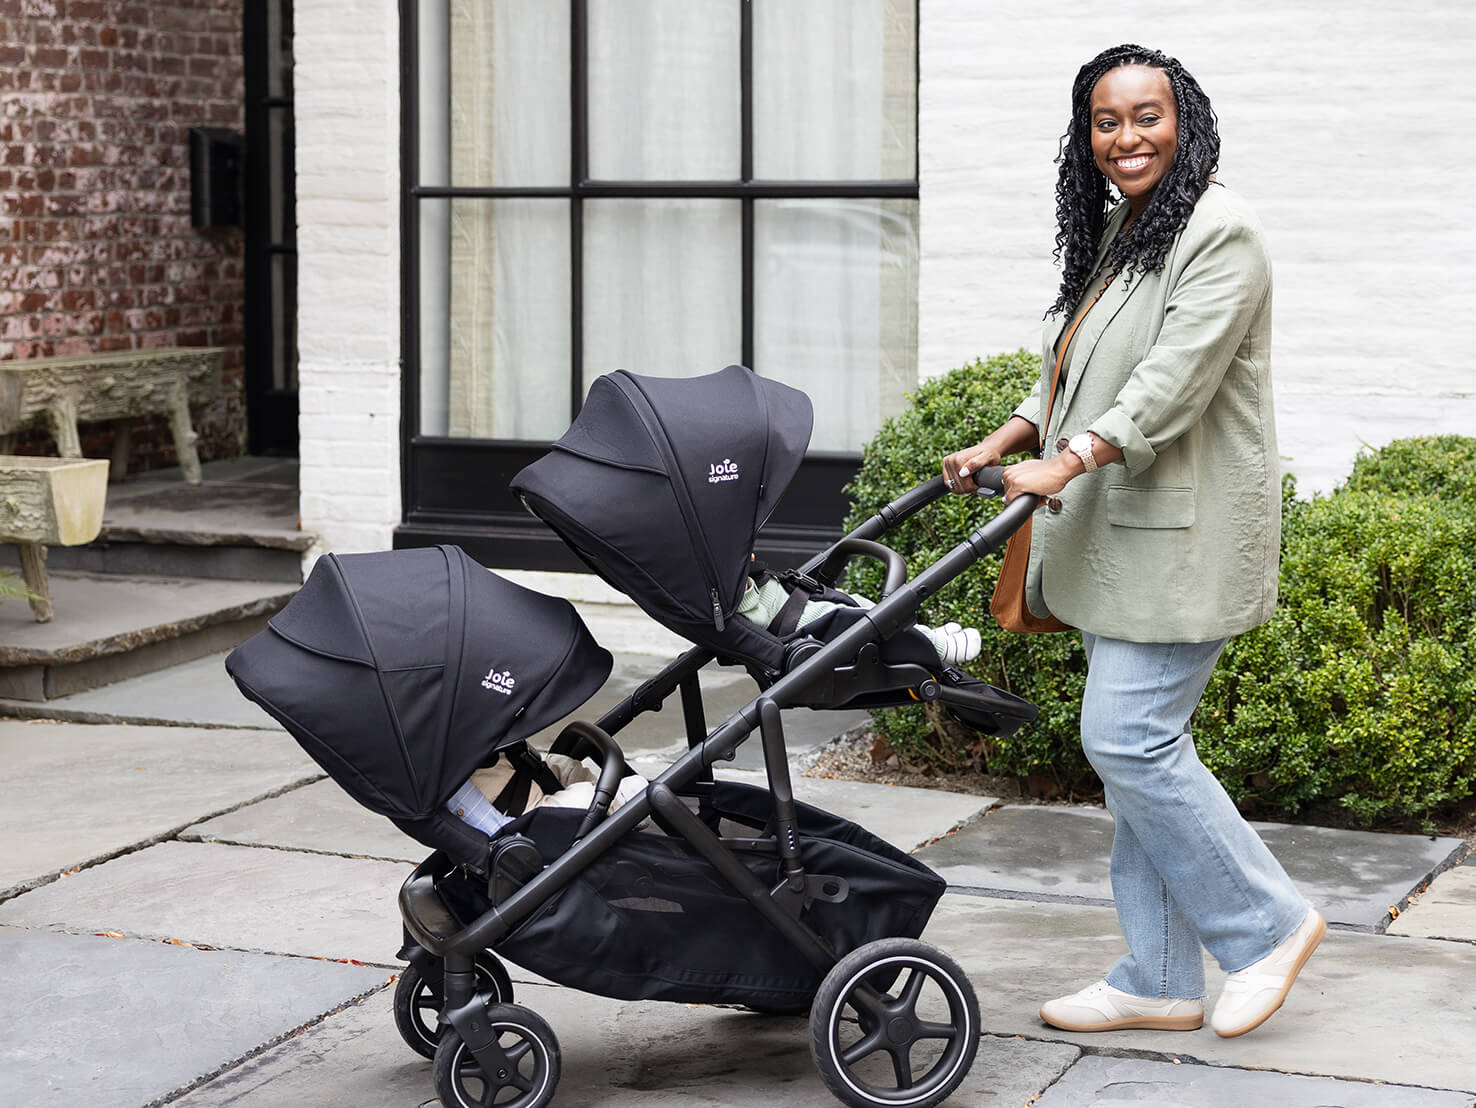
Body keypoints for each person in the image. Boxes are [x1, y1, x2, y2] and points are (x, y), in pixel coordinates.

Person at [942, 44, 1322, 1039]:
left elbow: (1169, 379)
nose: (1125, 139)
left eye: (1145, 116)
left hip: (1183, 537)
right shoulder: (1129, 229)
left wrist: (1063, 466)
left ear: (1184, 119)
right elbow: (1077, 364)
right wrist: (1010, 436)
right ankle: (1158, 976)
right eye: (1105, 122)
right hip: (1128, 536)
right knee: (1136, 754)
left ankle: (1268, 927)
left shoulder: (1222, 233)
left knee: (1128, 739)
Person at [734, 571, 983, 666]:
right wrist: (741, 582)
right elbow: (756, 618)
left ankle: (927, 635)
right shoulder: (731, 593)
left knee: (857, 603)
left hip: (792, 600)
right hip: (797, 623)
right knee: (864, 619)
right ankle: (939, 647)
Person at [447, 750, 648, 836]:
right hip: (527, 819)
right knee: (611, 793)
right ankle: (623, 802)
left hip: (518, 774)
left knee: (565, 766)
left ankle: (615, 800)